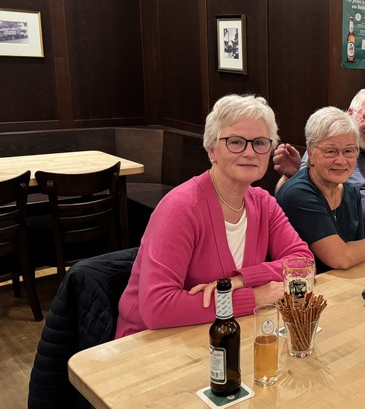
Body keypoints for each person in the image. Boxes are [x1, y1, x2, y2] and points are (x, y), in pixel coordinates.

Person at [115, 94, 312, 338]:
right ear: (212, 150)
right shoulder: (181, 207)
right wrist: (255, 296)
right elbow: (157, 308)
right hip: (148, 343)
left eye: (260, 143)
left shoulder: (264, 203)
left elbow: (304, 263)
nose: (250, 152)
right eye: (236, 142)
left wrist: (242, 279)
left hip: (224, 334)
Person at [272, 88, 365, 250]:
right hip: (342, 248)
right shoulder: (321, 150)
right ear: (350, 113)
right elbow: (296, 195)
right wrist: (291, 175)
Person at [276, 107, 365, 273]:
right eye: (331, 151)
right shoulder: (298, 193)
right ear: (310, 152)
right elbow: (341, 258)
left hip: (342, 283)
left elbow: (358, 256)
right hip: (302, 286)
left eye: (348, 151)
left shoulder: (352, 192)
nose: (341, 161)